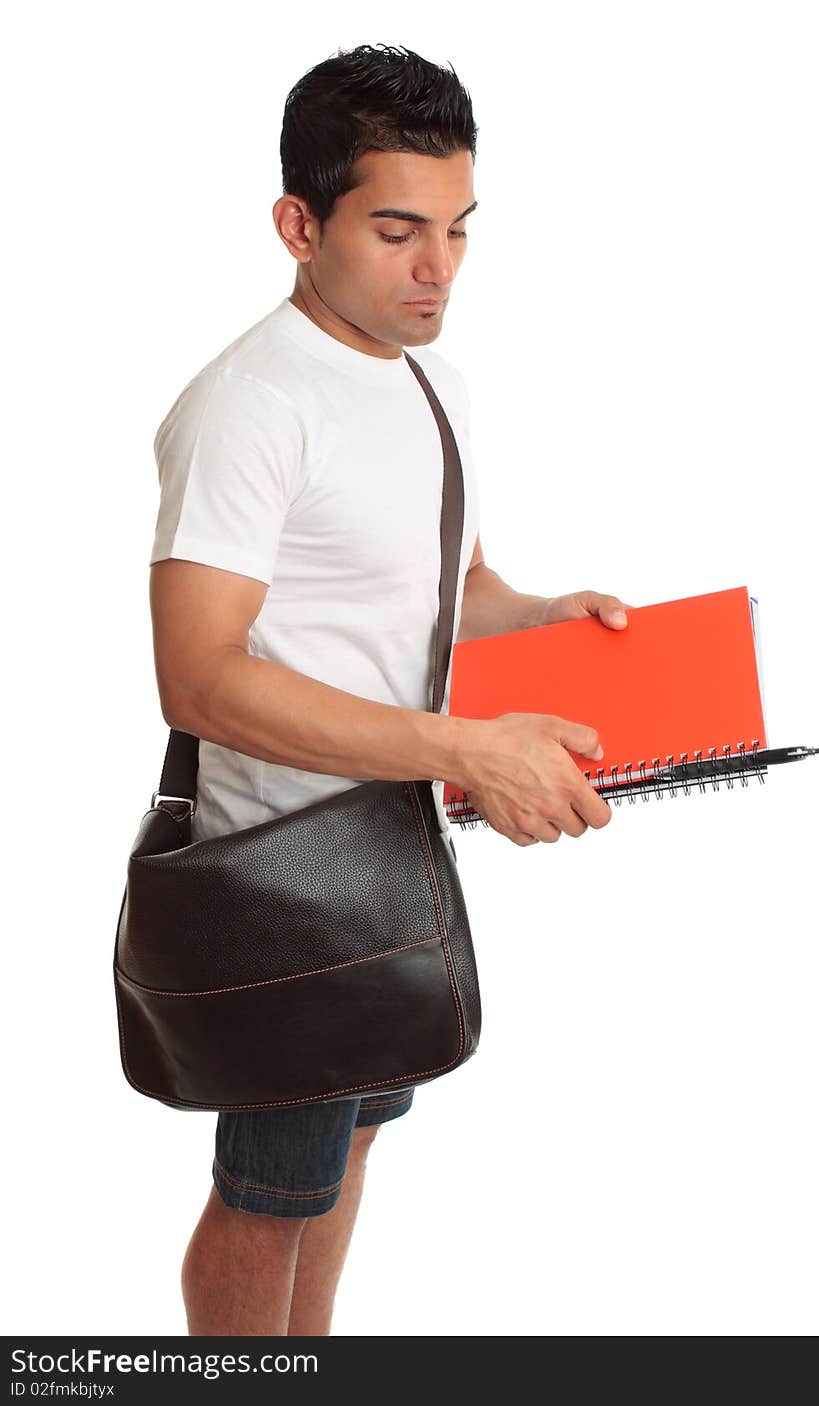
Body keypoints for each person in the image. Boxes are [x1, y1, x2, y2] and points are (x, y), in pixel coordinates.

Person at [148, 42, 631, 1336]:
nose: (439, 270)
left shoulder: (433, 380)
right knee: (270, 1193)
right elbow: (199, 678)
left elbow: (439, 584)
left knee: (349, 1149)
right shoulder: (248, 405)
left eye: (461, 230)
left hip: (390, 845)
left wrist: (541, 611)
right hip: (283, 865)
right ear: (299, 225)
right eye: (398, 229)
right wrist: (462, 745)